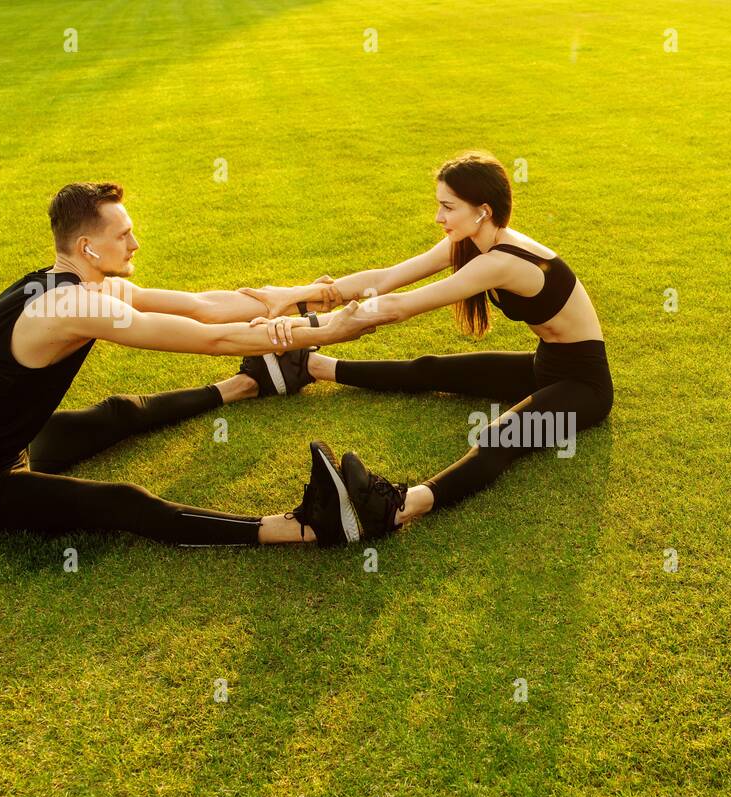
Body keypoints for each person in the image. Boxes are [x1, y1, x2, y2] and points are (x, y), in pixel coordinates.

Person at [0, 182, 375, 548]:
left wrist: (300, 297)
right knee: (124, 502)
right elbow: (211, 338)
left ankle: (245, 384)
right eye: (122, 236)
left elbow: (203, 307)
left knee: (119, 413)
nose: (135, 244)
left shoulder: (80, 284)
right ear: (87, 246)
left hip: (14, 447)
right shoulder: (66, 307)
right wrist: (328, 330)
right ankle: (304, 527)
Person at [241, 150, 614, 540]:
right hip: (544, 365)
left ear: (482, 211)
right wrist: (303, 294)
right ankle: (315, 366)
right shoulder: (472, 242)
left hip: (584, 388)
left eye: (447, 207)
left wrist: (303, 327)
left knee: (503, 435)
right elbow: (388, 278)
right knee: (430, 368)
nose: (438, 217)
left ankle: (400, 507)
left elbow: (401, 306)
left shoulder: (503, 261)